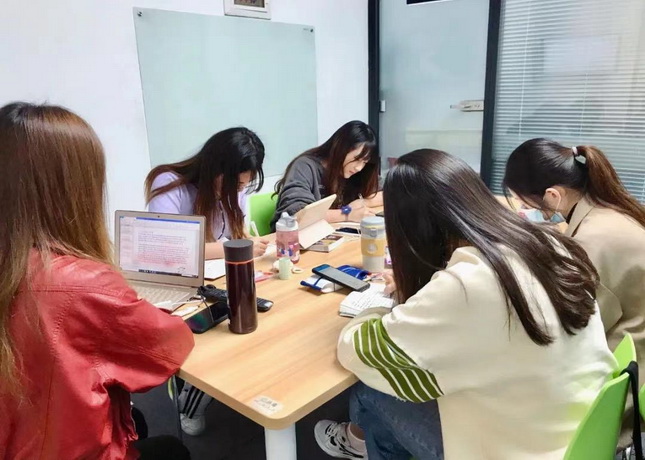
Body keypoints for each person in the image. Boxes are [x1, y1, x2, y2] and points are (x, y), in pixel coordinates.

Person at [316, 149, 615, 460]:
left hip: (521, 449)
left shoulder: (469, 284)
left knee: (371, 392)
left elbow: (361, 351)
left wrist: (373, 310)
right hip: (580, 432)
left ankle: (356, 444)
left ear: (413, 227)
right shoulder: (545, 243)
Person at [0, 102, 194, 459]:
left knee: (136, 420)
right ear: (74, 190)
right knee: (171, 450)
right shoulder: (82, 284)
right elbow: (169, 348)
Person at [503, 138, 645, 448]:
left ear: (553, 196)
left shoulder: (594, 241)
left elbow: (575, 329)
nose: (527, 212)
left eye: (528, 205)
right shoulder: (610, 211)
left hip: (621, 384)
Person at [145, 127, 270, 259]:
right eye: (236, 185)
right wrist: (238, 249)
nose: (239, 191)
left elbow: (240, 233)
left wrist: (250, 242)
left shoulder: (239, 189)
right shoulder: (169, 182)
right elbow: (165, 247)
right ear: (214, 169)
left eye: (244, 185)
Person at [271, 120, 381, 229]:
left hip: (331, 232)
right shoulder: (305, 166)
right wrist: (347, 213)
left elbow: (385, 194)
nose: (359, 168)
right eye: (356, 159)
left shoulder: (357, 172)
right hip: (293, 236)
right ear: (341, 149)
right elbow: (300, 216)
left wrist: (361, 202)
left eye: (364, 162)